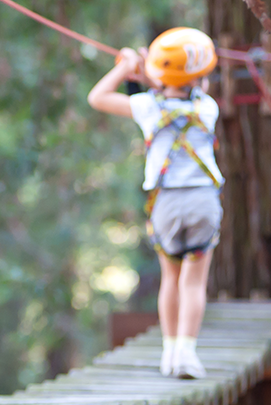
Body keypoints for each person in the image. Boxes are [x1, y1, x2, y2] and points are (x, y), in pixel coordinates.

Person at [87, 28, 224, 379]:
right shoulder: (208, 107)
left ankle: (168, 353)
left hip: (165, 203)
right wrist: (149, 66)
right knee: (194, 282)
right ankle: (187, 354)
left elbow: (98, 97)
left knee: (171, 279)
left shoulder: (147, 107)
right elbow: (179, 80)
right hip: (202, 202)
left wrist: (126, 67)